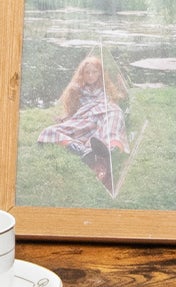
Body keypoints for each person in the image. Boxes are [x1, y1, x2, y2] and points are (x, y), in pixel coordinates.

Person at [37, 54, 130, 193]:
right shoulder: (77, 89)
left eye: (94, 72)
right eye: (87, 72)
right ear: (82, 74)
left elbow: (120, 99)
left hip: (105, 114)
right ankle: (82, 150)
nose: (91, 76)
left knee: (115, 114)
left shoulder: (106, 87)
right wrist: (67, 114)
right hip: (87, 119)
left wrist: (122, 86)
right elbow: (71, 111)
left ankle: (111, 148)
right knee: (49, 131)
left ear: (100, 73)